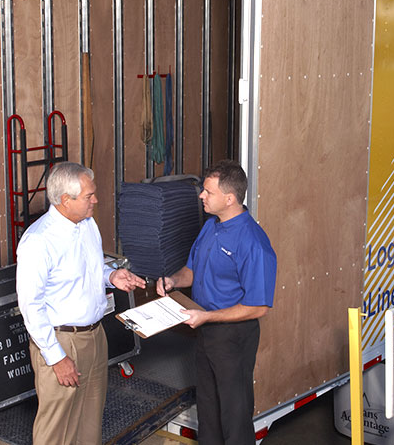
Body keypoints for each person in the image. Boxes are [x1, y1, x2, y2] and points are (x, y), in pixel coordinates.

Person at [16, 162, 146, 445]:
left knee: (90, 420)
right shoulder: (38, 242)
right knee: (57, 428)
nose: (95, 201)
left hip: (94, 336)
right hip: (61, 341)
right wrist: (57, 357)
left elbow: (92, 266)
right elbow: (31, 305)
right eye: (89, 196)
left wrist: (112, 275)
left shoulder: (87, 224)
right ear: (65, 200)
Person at [158, 160, 277, 445]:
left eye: (207, 192)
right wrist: (174, 281)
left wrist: (208, 318)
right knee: (208, 410)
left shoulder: (253, 242)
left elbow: (259, 306)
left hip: (233, 336)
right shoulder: (211, 227)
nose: (201, 195)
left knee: (234, 416)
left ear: (230, 198)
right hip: (206, 330)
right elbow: (193, 270)